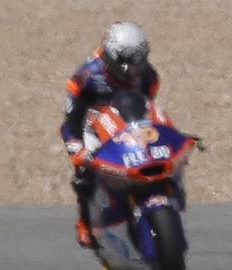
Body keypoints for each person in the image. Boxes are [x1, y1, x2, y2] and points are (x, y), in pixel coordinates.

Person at [60, 22, 161, 248]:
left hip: (132, 125)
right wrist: (77, 148)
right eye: (120, 62)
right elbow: (70, 120)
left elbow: (151, 110)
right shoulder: (86, 75)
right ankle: (85, 221)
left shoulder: (149, 77)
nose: (126, 70)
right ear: (108, 55)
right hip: (95, 128)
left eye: (134, 62)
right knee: (84, 172)